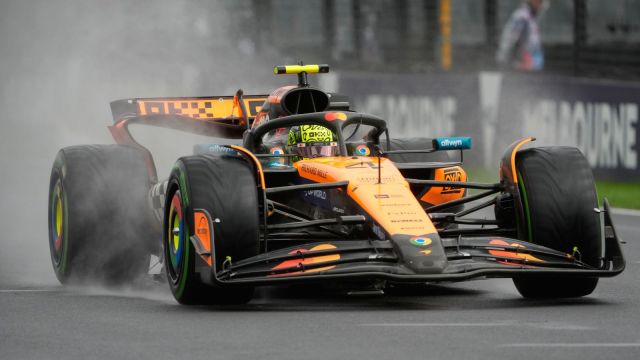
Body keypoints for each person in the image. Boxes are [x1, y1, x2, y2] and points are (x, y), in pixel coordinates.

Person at [496, 0, 545, 71]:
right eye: (539, 2)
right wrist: (508, 63)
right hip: (522, 68)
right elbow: (509, 42)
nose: (541, 5)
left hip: (533, 67)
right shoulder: (522, 16)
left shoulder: (532, 17)